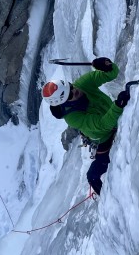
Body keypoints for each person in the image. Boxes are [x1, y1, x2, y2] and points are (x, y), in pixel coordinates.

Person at [41, 57, 131, 196]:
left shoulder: (81, 84)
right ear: (63, 103)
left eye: (71, 87)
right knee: (94, 174)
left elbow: (112, 74)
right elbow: (102, 125)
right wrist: (118, 106)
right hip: (103, 137)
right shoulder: (73, 117)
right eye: (69, 95)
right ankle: (106, 197)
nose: (74, 91)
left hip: (112, 117)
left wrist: (107, 66)